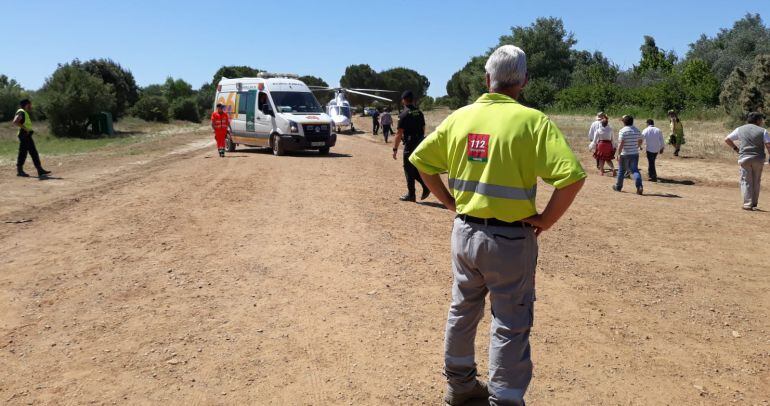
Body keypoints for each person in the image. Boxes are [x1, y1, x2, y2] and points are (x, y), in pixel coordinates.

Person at [409, 45, 586, 406]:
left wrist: (449, 202)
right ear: (523, 81)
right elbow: (571, 178)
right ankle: (504, 398)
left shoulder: (460, 117)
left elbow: (422, 161)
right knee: (510, 320)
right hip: (510, 240)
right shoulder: (533, 122)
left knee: (462, 309)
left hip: (465, 233)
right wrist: (545, 221)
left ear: (486, 79)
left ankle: (459, 387)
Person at [724, 112, 770, 211]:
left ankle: (747, 204)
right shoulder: (763, 131)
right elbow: (768, 145)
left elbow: (727, 139)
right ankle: (754, 203)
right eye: (761, 120)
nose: (762, 122)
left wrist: (736, 149)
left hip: (744, 158)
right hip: (758, 158)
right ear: (757, 120)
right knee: (756, 181)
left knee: (746, 181)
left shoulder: (739, 129)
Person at [392, 90, 430, 202]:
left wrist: (395, 149)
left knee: (408, 169)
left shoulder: (403, 114)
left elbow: (399, 134)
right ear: (413, 100)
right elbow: (423, 129)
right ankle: (425, 186)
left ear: (403, 100)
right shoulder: (419, 112)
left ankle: (412, 194)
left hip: (410, 143)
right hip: (420, 142)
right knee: (415, 167)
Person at [13, 99, 51, 178]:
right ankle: (20, 171)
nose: (31, 106)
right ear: (27, 104)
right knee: (23, 153)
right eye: (30, 104)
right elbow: (15, 121)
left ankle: (39, 170)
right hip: (24, 135)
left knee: (33, 152)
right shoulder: (21, 111)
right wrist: (26, 129)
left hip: (26, 135)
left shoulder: (24, 112)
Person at [613, 115, 644, 195]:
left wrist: (618, 154)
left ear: (624, 122)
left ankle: (618, 187)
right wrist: (638, 146)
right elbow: (641, 139)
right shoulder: (636, 130)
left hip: (625, 154)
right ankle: (639, 186)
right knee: (635, 170)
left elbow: (621, 143)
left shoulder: (623, 131)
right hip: (634, 153)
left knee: (621, 170)